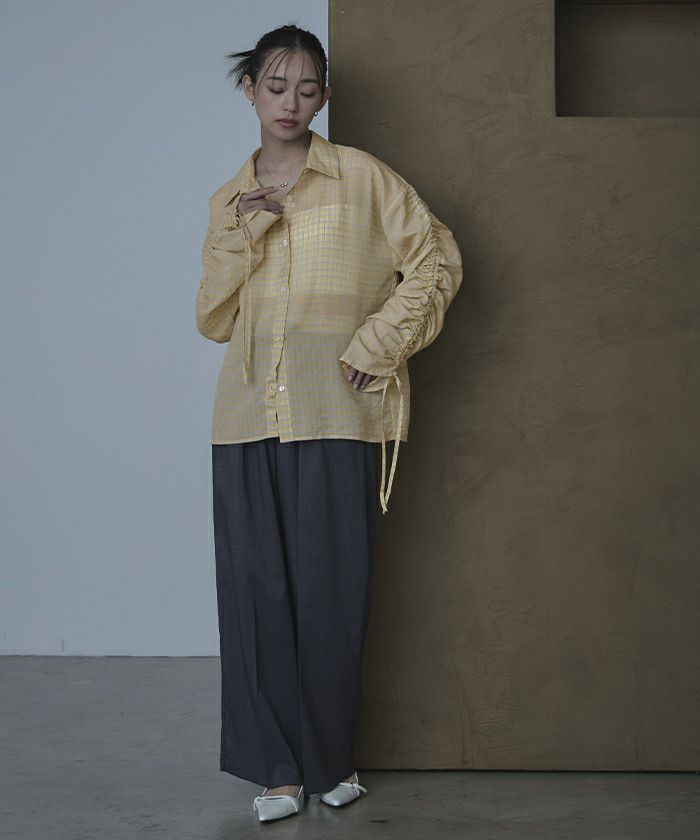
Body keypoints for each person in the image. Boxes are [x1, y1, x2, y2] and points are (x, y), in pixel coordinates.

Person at [196, 23, 463, 823]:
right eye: (276, 87)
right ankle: (278, 773)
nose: (290, 102)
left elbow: (437, 259)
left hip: (337, 412)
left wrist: (379, 343)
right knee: (257, 595)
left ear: (324, 97)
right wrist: (246, 231)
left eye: (307, 89)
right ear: (250, 90)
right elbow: (213, 317)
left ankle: (329, 760)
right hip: (247, 418)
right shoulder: (229, 200)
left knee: (332, 592)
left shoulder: (363, 178)